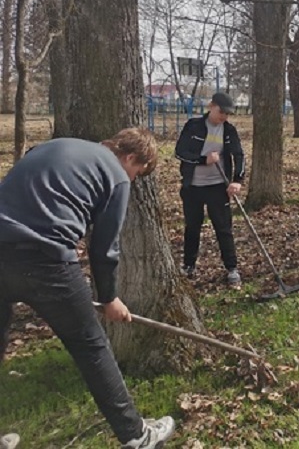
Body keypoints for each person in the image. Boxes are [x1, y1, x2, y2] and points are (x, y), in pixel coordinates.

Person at [0, 129, 175, 449]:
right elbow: (105, 248)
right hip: (46, 259)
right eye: (138, 174)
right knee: (91, 346)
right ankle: (136, 436)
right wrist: (109, 298)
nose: (133, 181)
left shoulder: (55, 146)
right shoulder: (116, 175)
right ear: (131, 158)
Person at [175, 91, 245, 285]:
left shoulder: (228, 130)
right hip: (192, 187)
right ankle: (189, 265)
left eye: (227, 114)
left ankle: (232, 269)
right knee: (192, 227)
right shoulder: (193, 126)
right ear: (211, 106)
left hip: (217, 187)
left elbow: (239, 155)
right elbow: (180, 152)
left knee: (223, 228)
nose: (224, 116)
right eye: (221, 111)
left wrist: (237, 180)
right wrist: (202, 160)